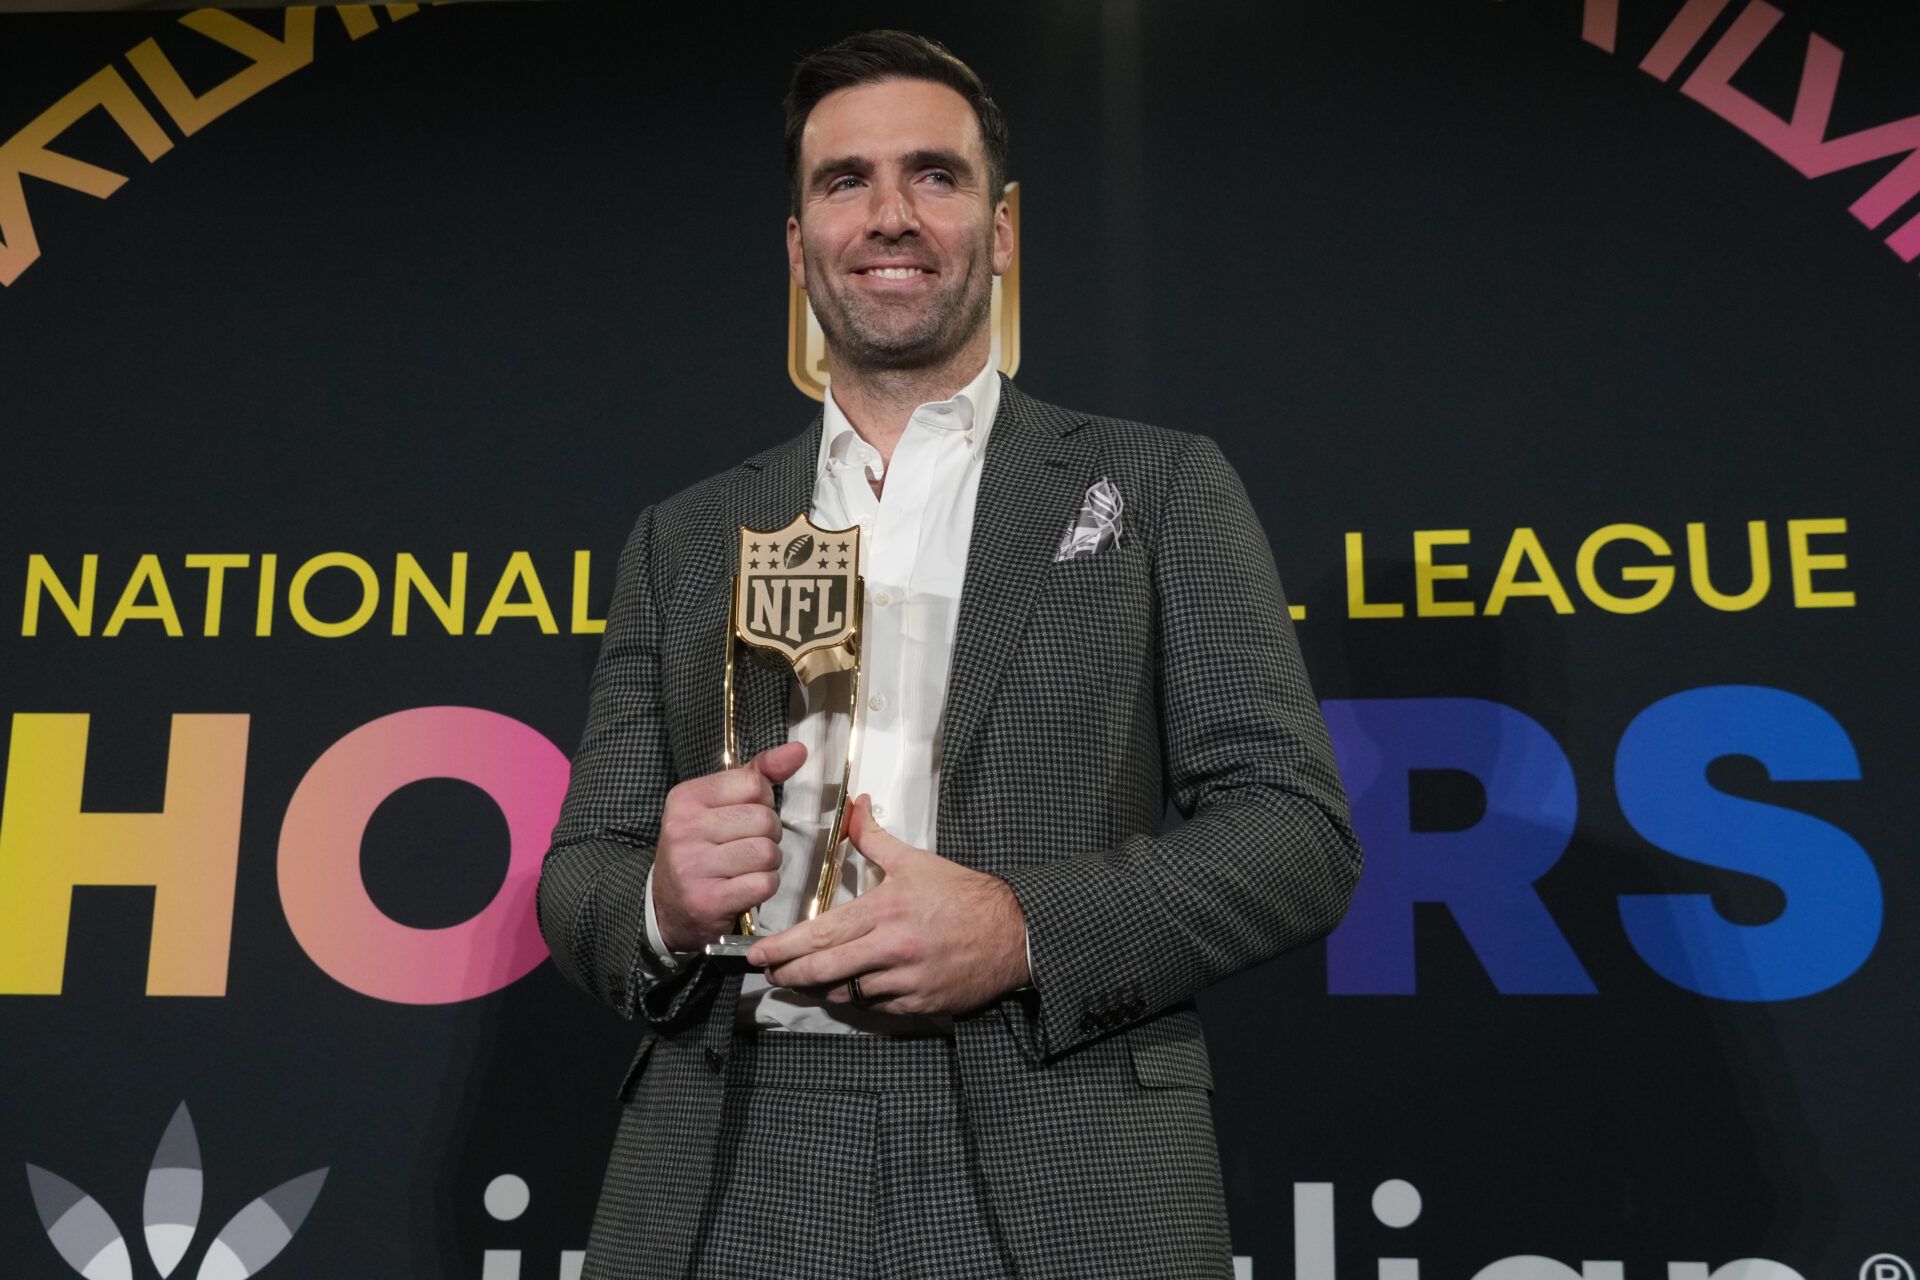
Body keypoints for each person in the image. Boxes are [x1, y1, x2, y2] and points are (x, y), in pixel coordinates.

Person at [536, 29, 1362, 1280]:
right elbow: (581, 868)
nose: (889, 215)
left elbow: (1298, 833)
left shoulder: (1157, 485)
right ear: (800, 242)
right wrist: (658, 898)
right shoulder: (689, 534)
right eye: (844, 181)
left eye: (934, 174)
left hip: (1060, 1136)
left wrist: (1027, 926)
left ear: (1002, 225)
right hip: (737, 1155)